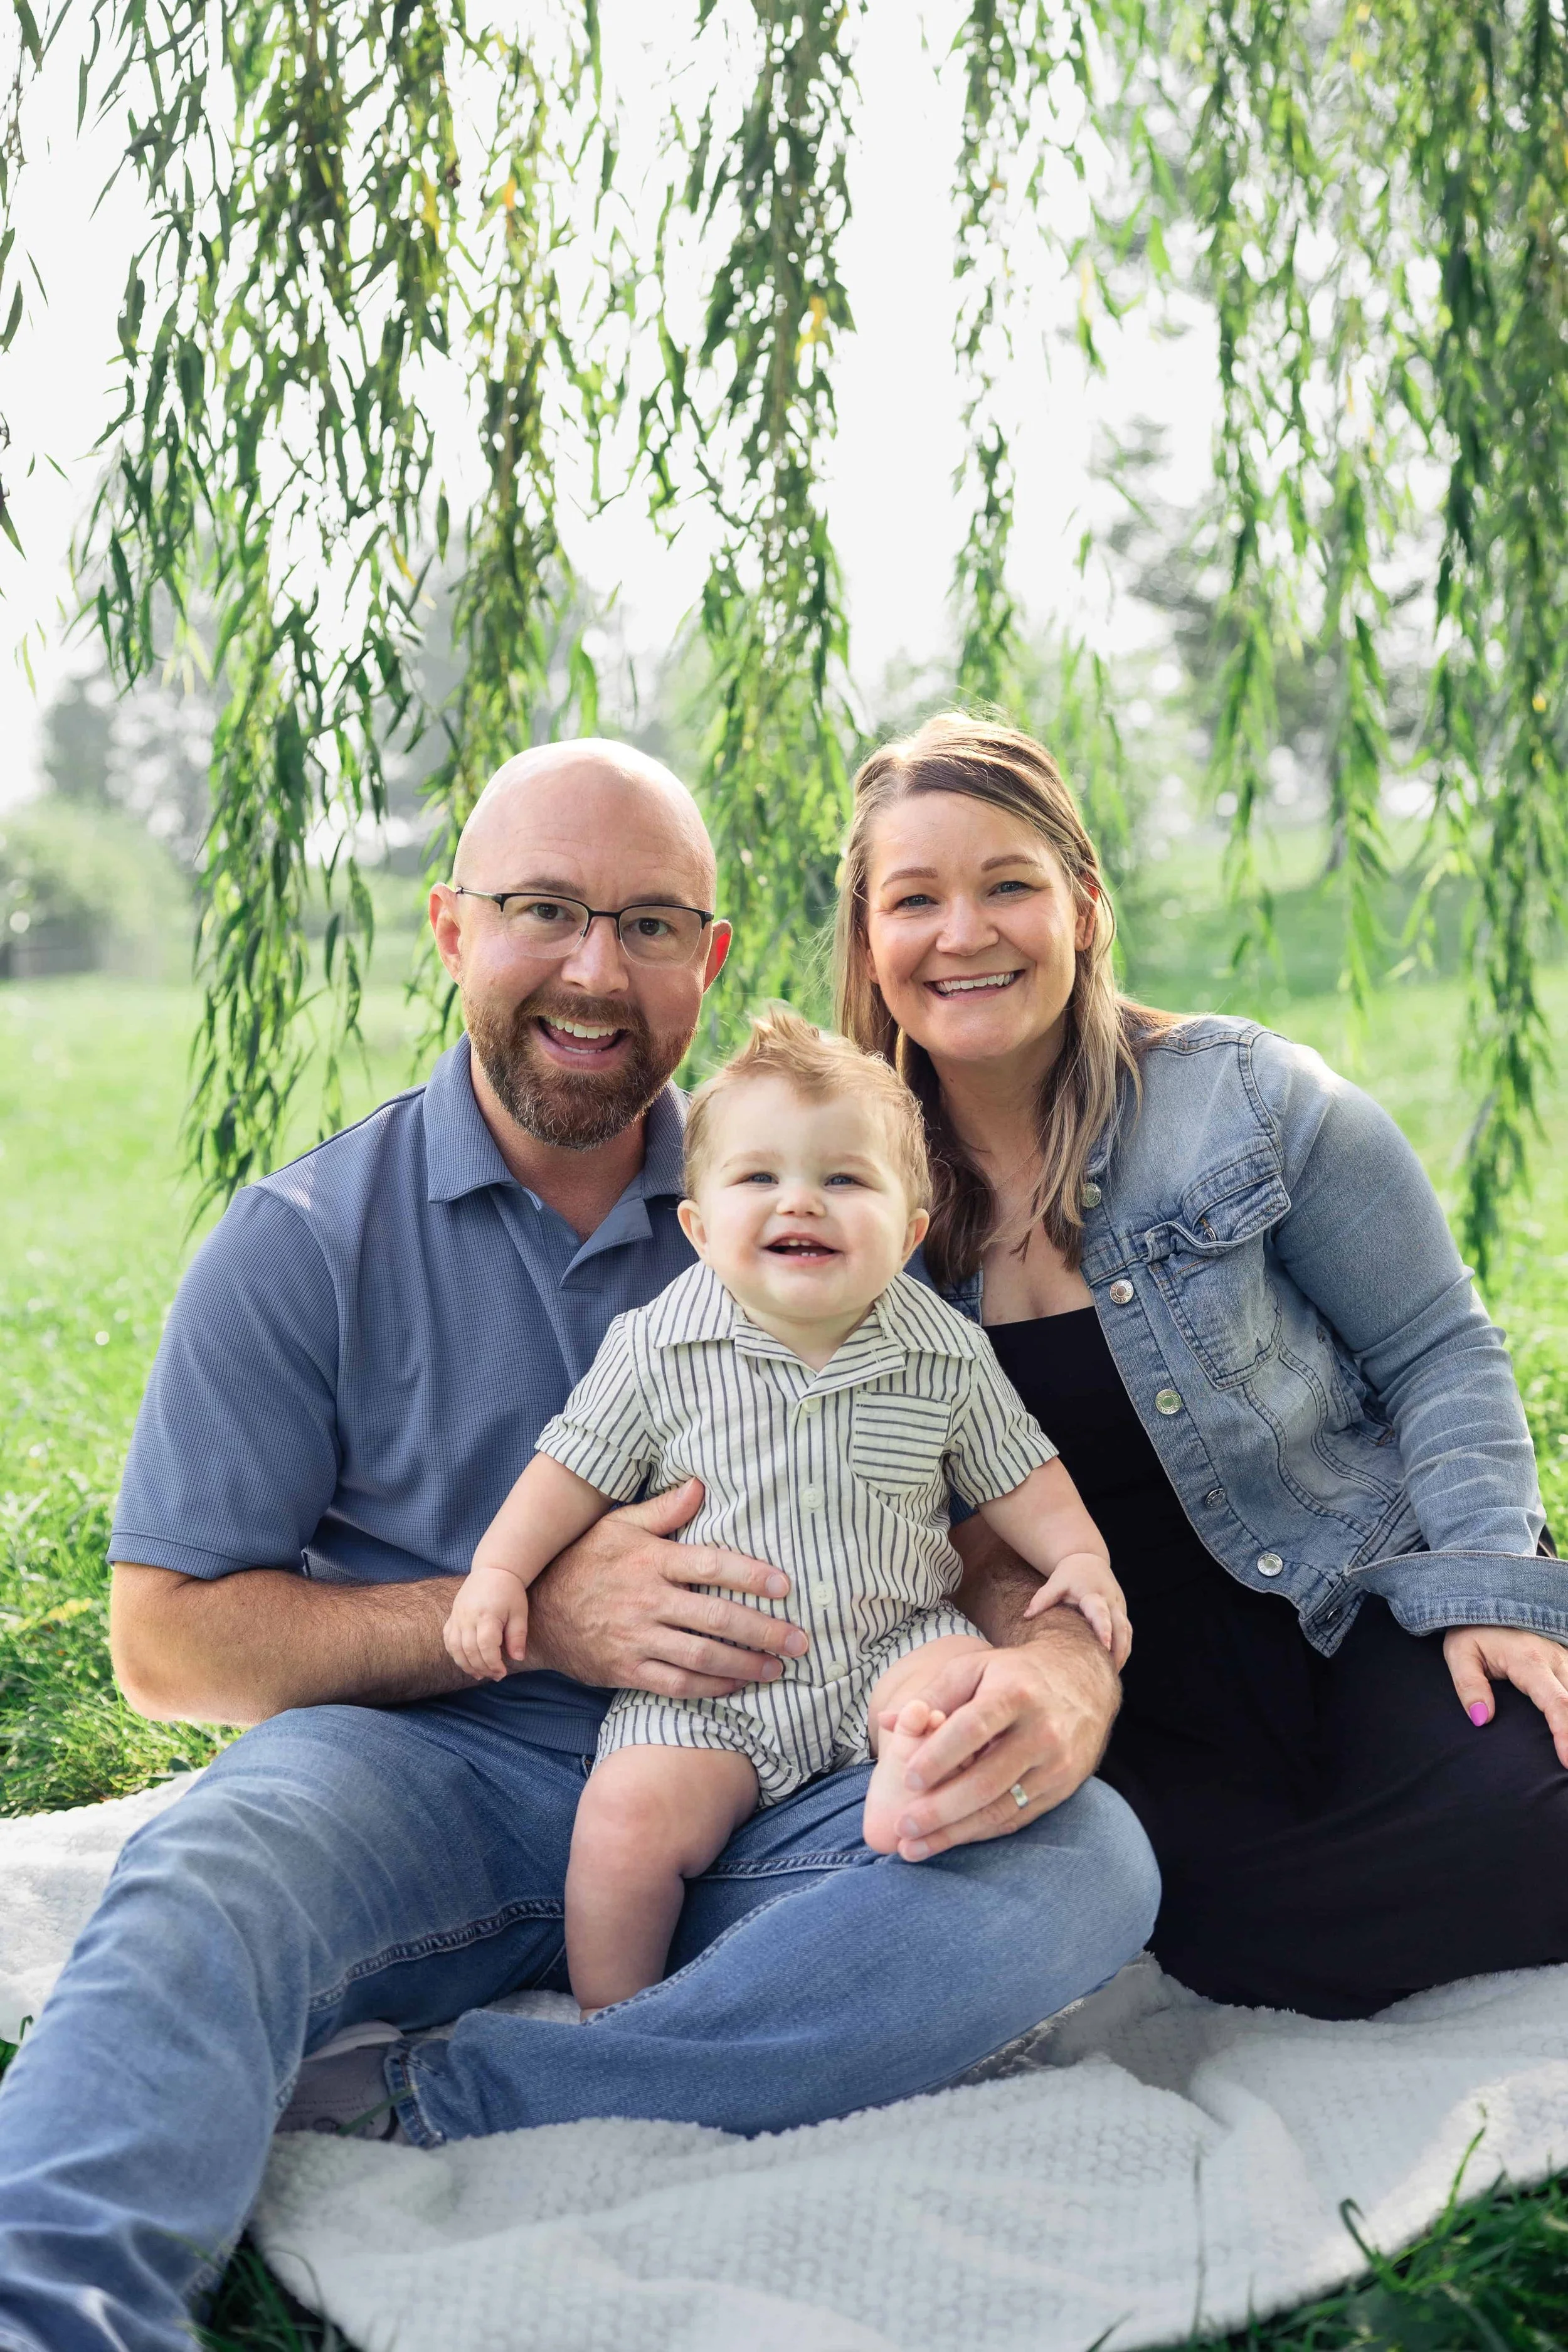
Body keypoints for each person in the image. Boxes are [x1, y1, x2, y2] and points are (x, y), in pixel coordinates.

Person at [0, 741, 1158, 2352]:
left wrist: (1051, 1679)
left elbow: (973, 1525)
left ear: (710, 956)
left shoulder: (818, 1185)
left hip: (776, 1776)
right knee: (210, 1871)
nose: (596, 973)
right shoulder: (301, 1246)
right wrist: (539, 1618)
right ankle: (54, 2310)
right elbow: (168, 1646)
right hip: (419, 1777)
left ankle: (474, 2096)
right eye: (543, 911)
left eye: (650, 924)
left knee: (1077, 1861)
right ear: (453, 929)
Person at [835, 709, 1568, 2021]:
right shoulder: (840, 1202)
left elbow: (1437, 1347)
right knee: (1155, 1899)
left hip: (1348, 1596)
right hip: (1119, 1685)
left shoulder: (1245, 1098)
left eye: (1007, 884)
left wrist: (1485, 1588)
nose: (963, 934)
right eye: (914, 900)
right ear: (868, 939)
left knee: (1536, 1819)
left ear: (1079, 902)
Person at [448, 1009, 1131, 2011]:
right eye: (759, 1177)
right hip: (715, 1686)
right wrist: (500, 1573)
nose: (799, 1201)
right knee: (624, 1823)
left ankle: (908, 1788)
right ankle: (621, 2019)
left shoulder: (942, 1349)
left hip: (893, 1645)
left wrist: (1083, 1558)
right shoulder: (656, 1346)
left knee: (969, 1697)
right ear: (699, 1226)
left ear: (907, 1232)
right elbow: (569, 1469)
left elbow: (1020, 1472)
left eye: (844, 1179)